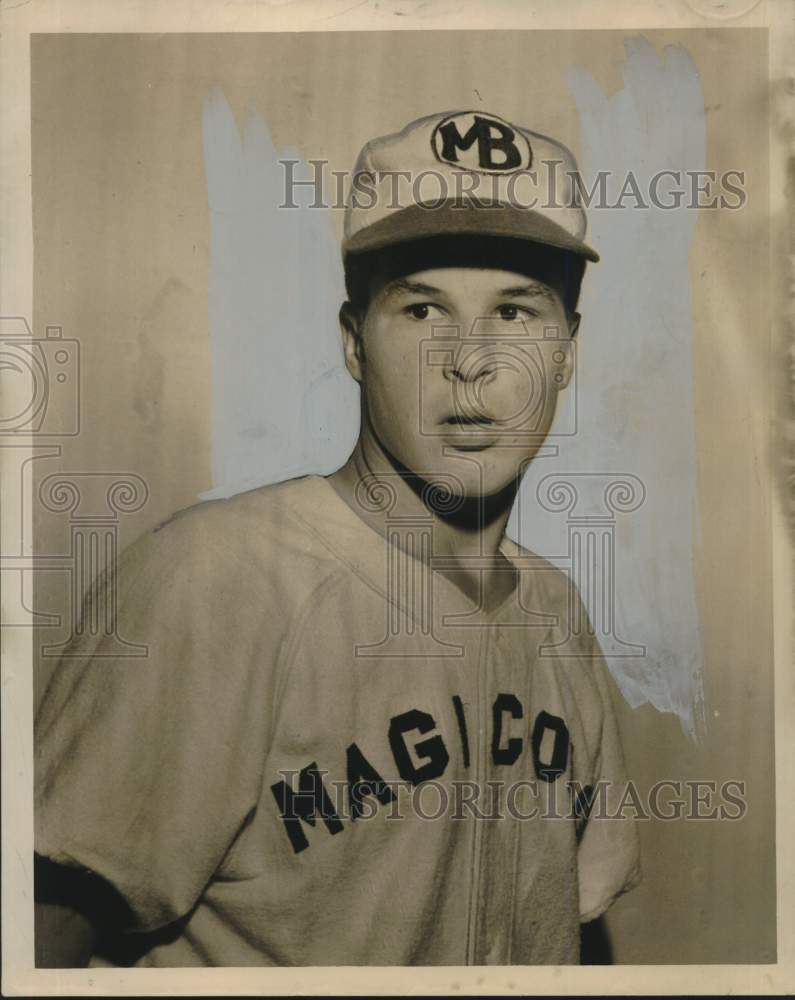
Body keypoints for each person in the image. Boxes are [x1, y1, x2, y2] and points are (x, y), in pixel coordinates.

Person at [34, 109, 641, 967]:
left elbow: (571, 930)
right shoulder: (217, 580)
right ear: (354, 342)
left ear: (567, 351)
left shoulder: (558, 614)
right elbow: (38, 932)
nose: (470, 361)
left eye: (514, 313)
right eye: (423, 307)